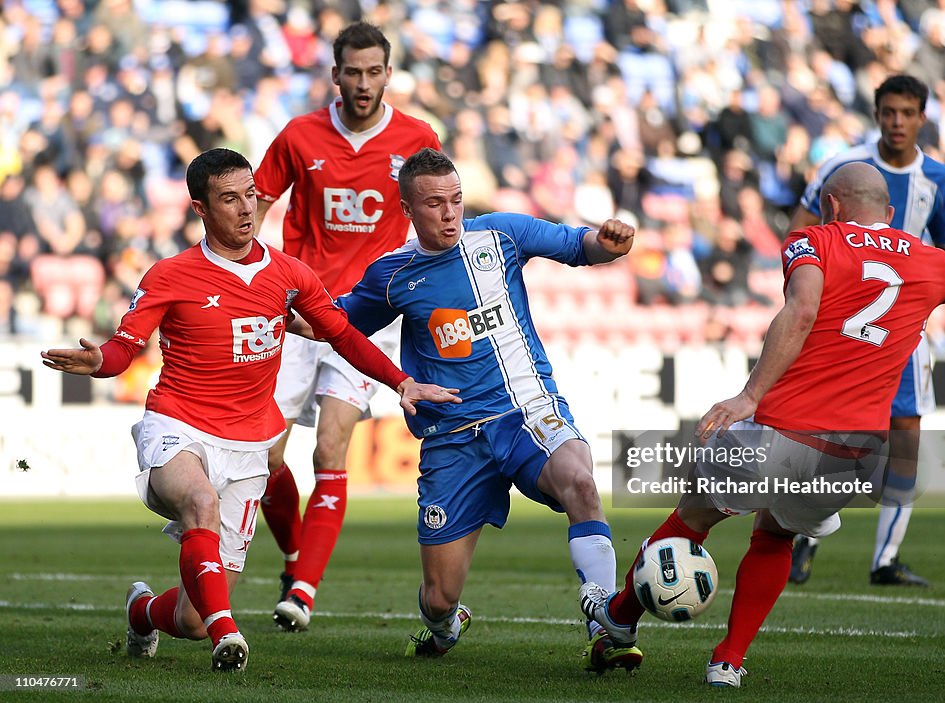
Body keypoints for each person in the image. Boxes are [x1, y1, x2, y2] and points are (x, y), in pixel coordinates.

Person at [580, 162, 945, 688]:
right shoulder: (933, 261)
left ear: (832, 205)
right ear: (890, 213)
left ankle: (619, 620)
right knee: (777, 538)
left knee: (693, 517)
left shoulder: (814, 239)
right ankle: (727, 662)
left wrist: (749, 395)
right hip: (855, 453)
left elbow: (801, 310)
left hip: (783, 429)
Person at [39, 148, 458, 672]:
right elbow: (125, 348)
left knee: (189, 618)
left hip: (248, 446)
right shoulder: (170, 274)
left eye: (251, 195)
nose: (246, 208)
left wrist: (401, 382)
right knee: (198, 503)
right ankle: (228, 633)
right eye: (229, 198)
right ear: (200, 208)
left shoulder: (289, 273)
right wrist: (100, 360)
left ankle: (143, 611)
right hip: (178, 425)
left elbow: (342, 333)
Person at [329, 147, 640, 672]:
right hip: (453, 437)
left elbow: (581, 245)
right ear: (408, 209)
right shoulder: (393, 275)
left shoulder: (501, 235)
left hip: (526, 410)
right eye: (434, 205)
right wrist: (265, 304)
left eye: (455, 200)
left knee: (581, 482)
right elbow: (335, 324)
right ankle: (446, 626)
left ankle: (605, 627)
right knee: (438, 598)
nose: (449, 213)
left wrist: (609, 242)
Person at [252, 22, 442, 632]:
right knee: (264, 458)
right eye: (352, 72)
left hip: (368, 316)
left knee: (330, 445)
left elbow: (441, 211)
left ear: (389, 73)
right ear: (335, 74)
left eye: (373, 72)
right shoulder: (299, 135)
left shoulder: (415, 138)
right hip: (296, 313)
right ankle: (292, 555)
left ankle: (303, 590)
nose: (363, 84)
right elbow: (254, 206)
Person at [786, 74, 945, 586]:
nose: (897, 121)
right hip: (843, 327)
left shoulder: (937, 178)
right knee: (832, 434)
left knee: (905, 438)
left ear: (922, 117)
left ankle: (885, 559)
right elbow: (799, 233)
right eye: (888, 111)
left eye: (907, 113)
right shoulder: (843, 168)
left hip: (905, 334)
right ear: (877, 113)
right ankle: (802, 535)